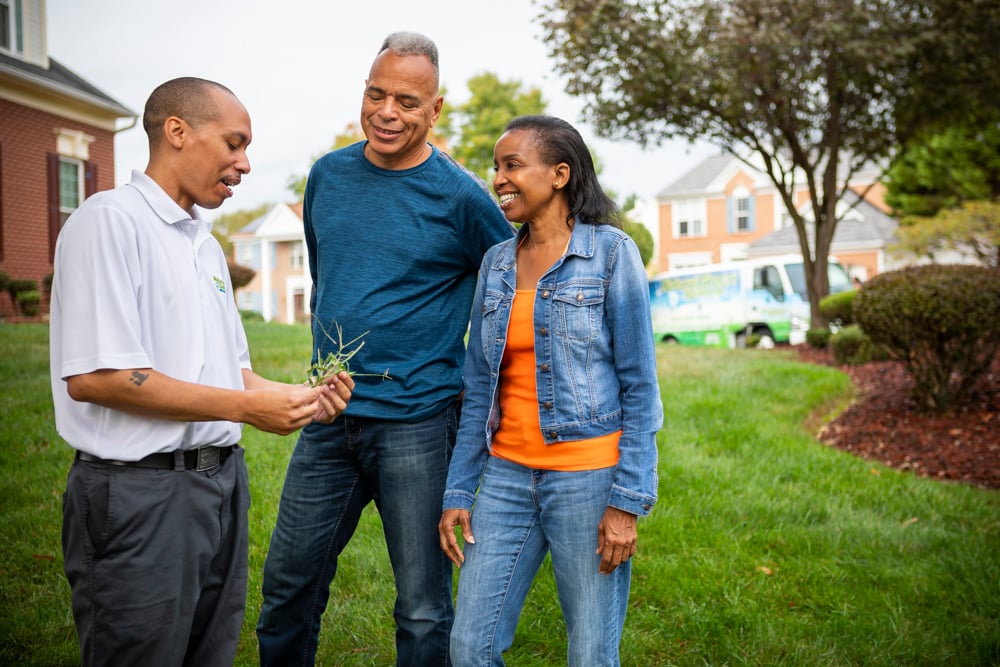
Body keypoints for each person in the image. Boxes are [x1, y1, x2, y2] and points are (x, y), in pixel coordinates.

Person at [50, 76, 354, 667]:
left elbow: (232, 374)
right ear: (177, 131)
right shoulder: (109, 222)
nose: (244, 163)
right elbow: (99, 377)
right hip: (138, 493)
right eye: (233, 143)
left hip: (220, 487)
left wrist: (300, 398)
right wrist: (246, 409)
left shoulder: (206, 247)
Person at [256, 32, 515, 666]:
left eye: (406, 100)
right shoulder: (328, 176)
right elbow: (329, 277)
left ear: (435, 110)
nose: (387, 112)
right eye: (376, 94)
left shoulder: (461, 198)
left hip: (419, 424)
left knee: (424, 608)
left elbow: (509, 286)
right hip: (328, 414)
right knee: (288, 587)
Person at [438, 115, 663, 666]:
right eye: (497, 167)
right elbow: (477, 386)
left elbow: (640, 387)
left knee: (590, 653)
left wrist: (627, 503)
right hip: (507, 479)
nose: (499, 178)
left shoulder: (611, 253)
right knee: (470, 647)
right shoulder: (495, 264)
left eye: (513, 165)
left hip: (588, 479)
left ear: (560, 174)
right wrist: (460, 490)